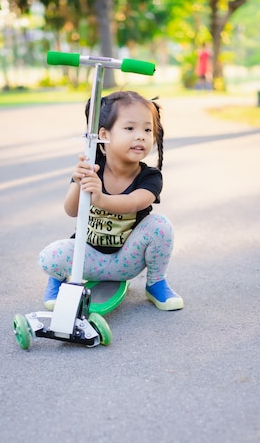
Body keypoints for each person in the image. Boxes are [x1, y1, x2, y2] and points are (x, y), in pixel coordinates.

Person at [38, 90, 183, 312]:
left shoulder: (150, 177)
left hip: (127, 259)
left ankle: (156, 282)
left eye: (147, 129)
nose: (141, 136)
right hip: (89, 259)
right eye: (130, 128)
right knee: (50, 256)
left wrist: (101, 199)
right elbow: (71, 210)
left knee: (161, 226)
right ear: (104, 134)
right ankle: (57, 282)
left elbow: (135, 203)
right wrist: (79, 181)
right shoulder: (92, 168)